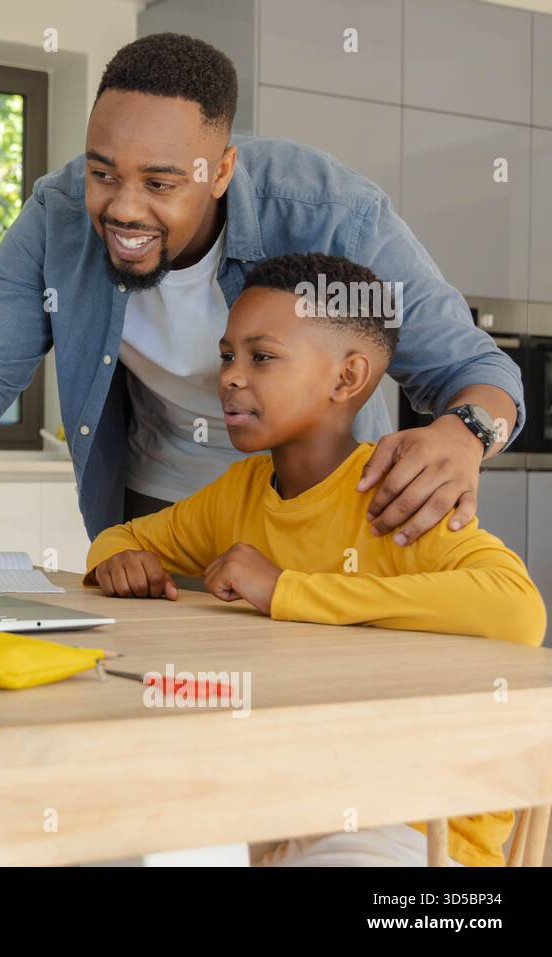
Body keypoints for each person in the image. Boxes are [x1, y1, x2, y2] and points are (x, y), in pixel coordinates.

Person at [0, 33, 522, 547]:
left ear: (222, 171)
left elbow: (476, 372)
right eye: (102, 172)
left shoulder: (330, 215)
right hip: (161, 517)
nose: (122, 209)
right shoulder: (57, 216)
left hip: (319, 514)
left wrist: (464, 433)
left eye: (159, 183)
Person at [84, 251, 546, 867]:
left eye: (262, 357)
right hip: (293, 808)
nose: (231, 376)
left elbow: (517, 611)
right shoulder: (239, 492)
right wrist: (119, 560)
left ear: (347, 379)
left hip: (413, 832)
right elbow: (122, 539)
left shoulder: (396, 491)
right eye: (227, 355)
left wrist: (287, 591)